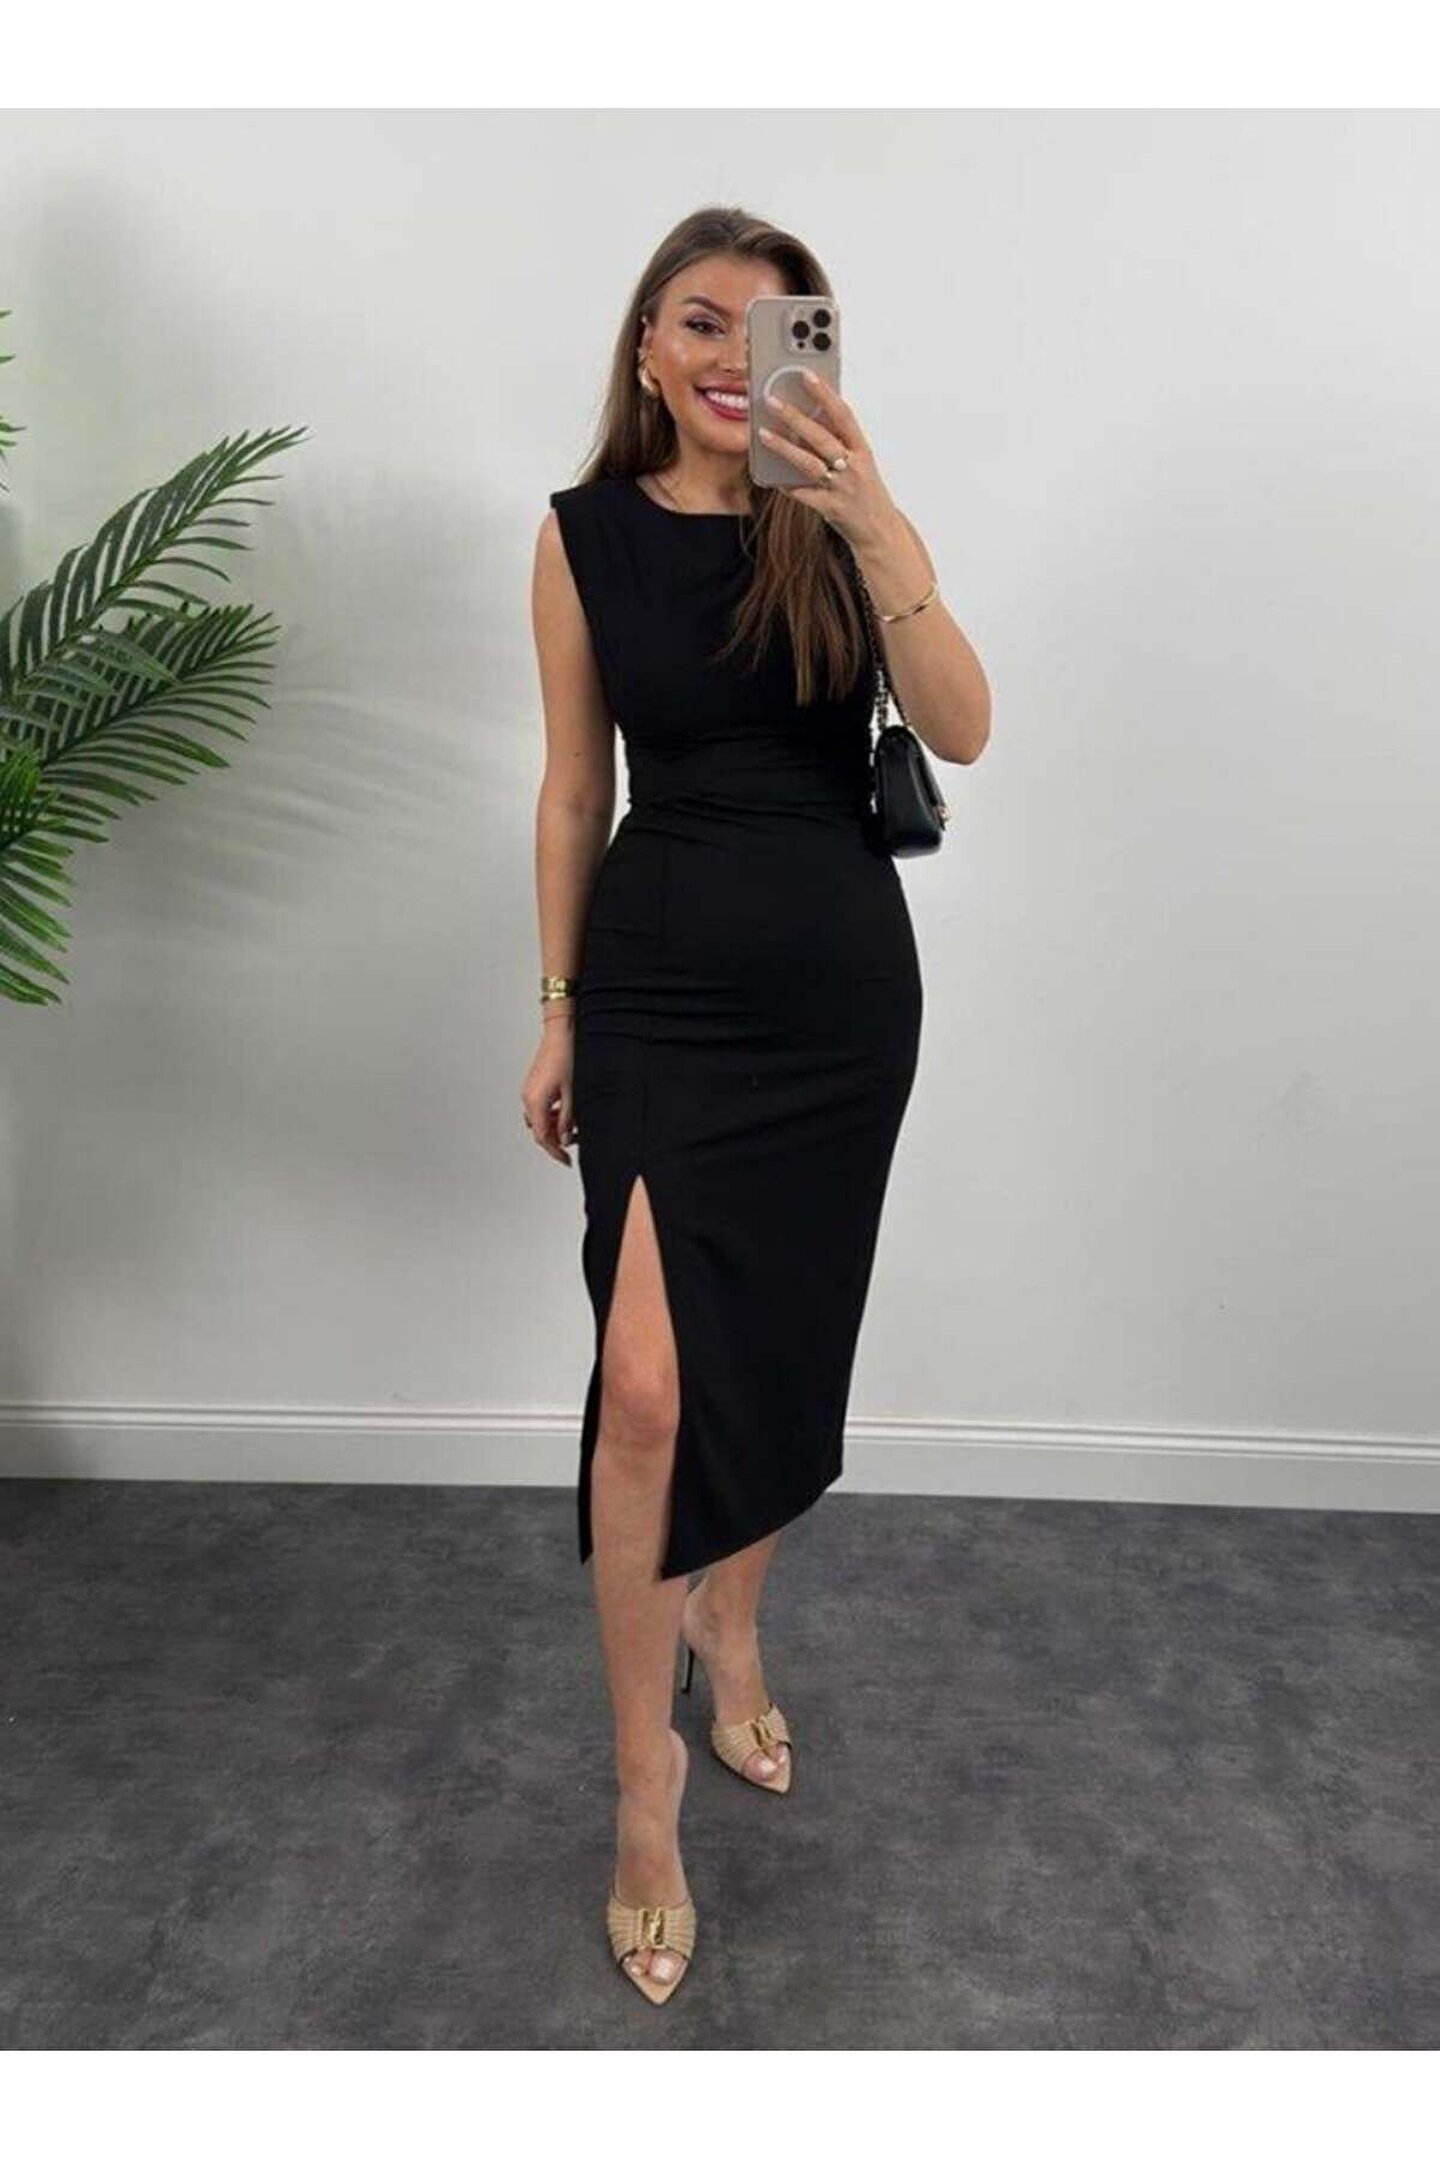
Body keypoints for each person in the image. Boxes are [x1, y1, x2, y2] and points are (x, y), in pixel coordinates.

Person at [523, 206, 991, 2006]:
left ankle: (734, 1618)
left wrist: (874, 523)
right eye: (700, 320)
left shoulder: (838, 522)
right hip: (655, 987)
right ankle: (644, 1788)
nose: (735, 352)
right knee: (644, 1384)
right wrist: (558, 1012)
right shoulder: (580, 538)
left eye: (778, 325)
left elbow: (962, 725)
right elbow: (575, 793)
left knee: (784, 1347)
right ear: (646, 349)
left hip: (837, 1004)